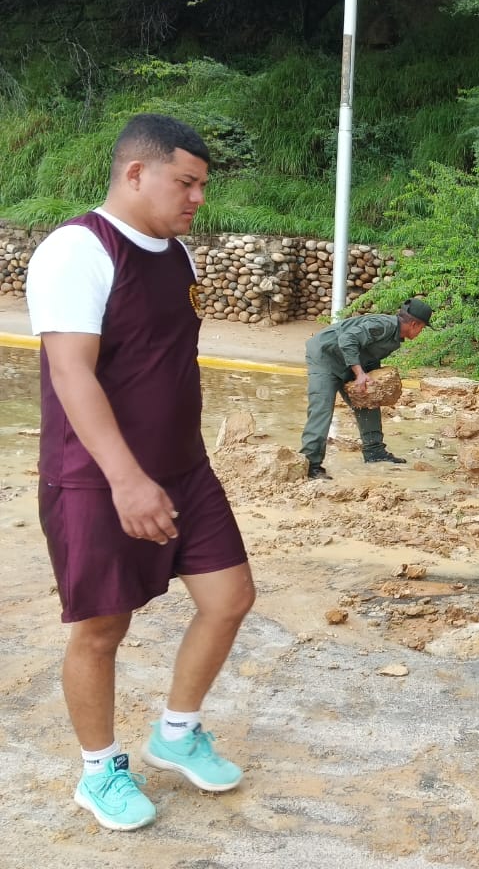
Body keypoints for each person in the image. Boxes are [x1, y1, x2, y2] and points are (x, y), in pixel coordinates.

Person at [26, 113, 256, 832]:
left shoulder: (175, 255)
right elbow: (71, 374)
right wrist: (126, 479)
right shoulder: (77, 251)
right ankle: (100, 774)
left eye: (203, 186)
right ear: (136, 173)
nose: (198, 199)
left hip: (185, 470)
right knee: (102, 629)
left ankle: (177, 733)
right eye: (186, 183)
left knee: (230, 597)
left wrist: (168, 466)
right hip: (98, 479)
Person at [300, 298, 432, 479]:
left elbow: (369, 353)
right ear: (414, 324)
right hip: (326, 356)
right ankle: (311, 464)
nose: (420, 332)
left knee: (368, 402)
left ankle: (374, 452)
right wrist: (360, 374)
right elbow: (347, 339)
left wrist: (376, 383)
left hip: (348, 361)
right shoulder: (383, 325)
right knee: (322, 407)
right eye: (422, 328)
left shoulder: (396, 336)